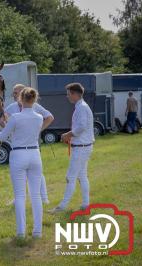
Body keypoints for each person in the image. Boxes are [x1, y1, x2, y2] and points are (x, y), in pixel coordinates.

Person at [0, 87, 44, 238]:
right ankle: (37, 231)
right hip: (34, 154)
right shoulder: (39, 117)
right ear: (34, 99)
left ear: (21, 99)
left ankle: (21, 232)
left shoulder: (15, 117)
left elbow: (1, 137)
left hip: (19, 154)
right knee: (36, 195)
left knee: (20, 196)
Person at [4, 84, 54, 206]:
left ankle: (44, 198)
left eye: (16, 93)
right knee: (18, 175)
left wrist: (38, 130)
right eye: (13, 93)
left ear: (23, 93)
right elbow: (6, 124)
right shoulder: (11, 108)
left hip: (32, 146)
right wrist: (3, 123)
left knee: (37, 173)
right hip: (17, 146)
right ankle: (18, 198)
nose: (14, 95)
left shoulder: (35, 106)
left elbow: (50, 117)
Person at [49, 83, 94, 214]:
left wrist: (68, 134)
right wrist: (71, 136)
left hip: (81, 148)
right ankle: (86, 204)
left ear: (75, 94)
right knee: (82, 176)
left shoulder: (81, 108)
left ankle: (62, 207)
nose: (67, 96)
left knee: (70, 176)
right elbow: (81, 127)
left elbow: (81, 127)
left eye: (69, 94)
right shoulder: (81, 107)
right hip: (83, 146)